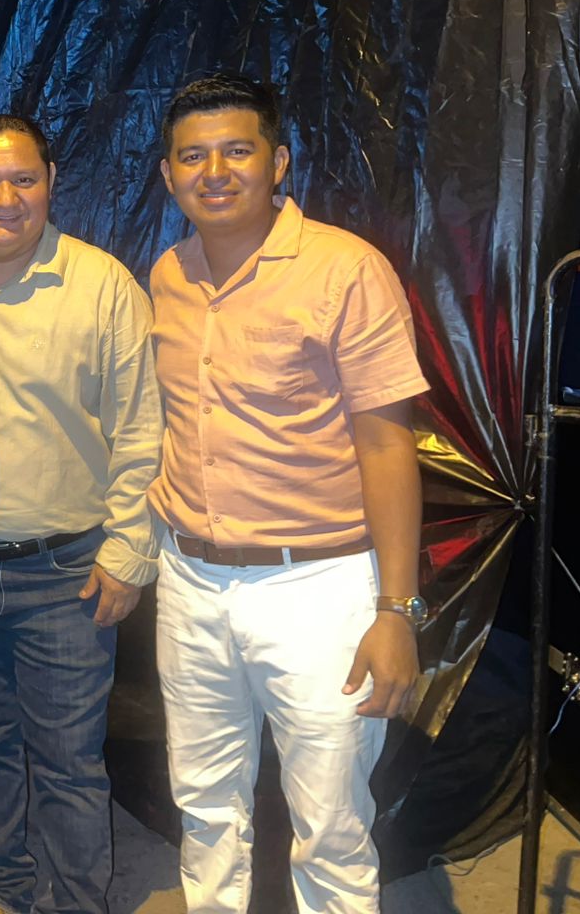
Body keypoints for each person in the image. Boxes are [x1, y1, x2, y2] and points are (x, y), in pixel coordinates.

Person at [148, 73, 429, 913]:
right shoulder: (168, 274)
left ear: (278, 162)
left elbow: (388, 446)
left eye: (237, 150)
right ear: (167, 174)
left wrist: (397, 611)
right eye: (192, 156)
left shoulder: (346, 270)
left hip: (318, 588)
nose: (214, 172)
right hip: (190, 582)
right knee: (204, 807)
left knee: (332, 827)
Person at [0, 115, 163, 914]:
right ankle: (1, 887)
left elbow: (141, 429)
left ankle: (81, 900)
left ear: (52, 183)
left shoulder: (103, 285)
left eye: (24, 179)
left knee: (69, 758)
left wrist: (129, 553)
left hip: (68, 571)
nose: (6, 198)